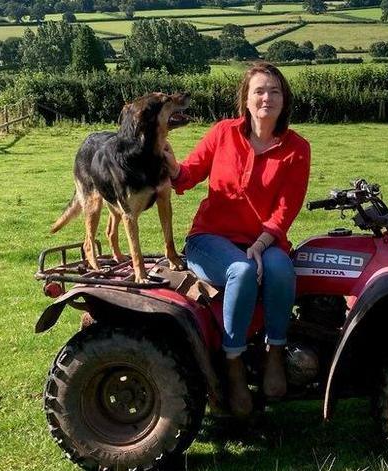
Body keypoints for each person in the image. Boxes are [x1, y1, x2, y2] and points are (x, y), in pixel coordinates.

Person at [165, 63, 311, 417]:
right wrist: (167, 160)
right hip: (209, 239)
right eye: (259, 91)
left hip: (265, 241)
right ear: (245, 99)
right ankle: (232, 365)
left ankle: (275, 353)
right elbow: (186, 178)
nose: (267, 98)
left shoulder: (296, 148)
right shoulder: (223, 133)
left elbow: (285, 210)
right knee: (242, 271)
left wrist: (260, 246)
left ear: (284, 99)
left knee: (280, 269)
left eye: (274, 91)